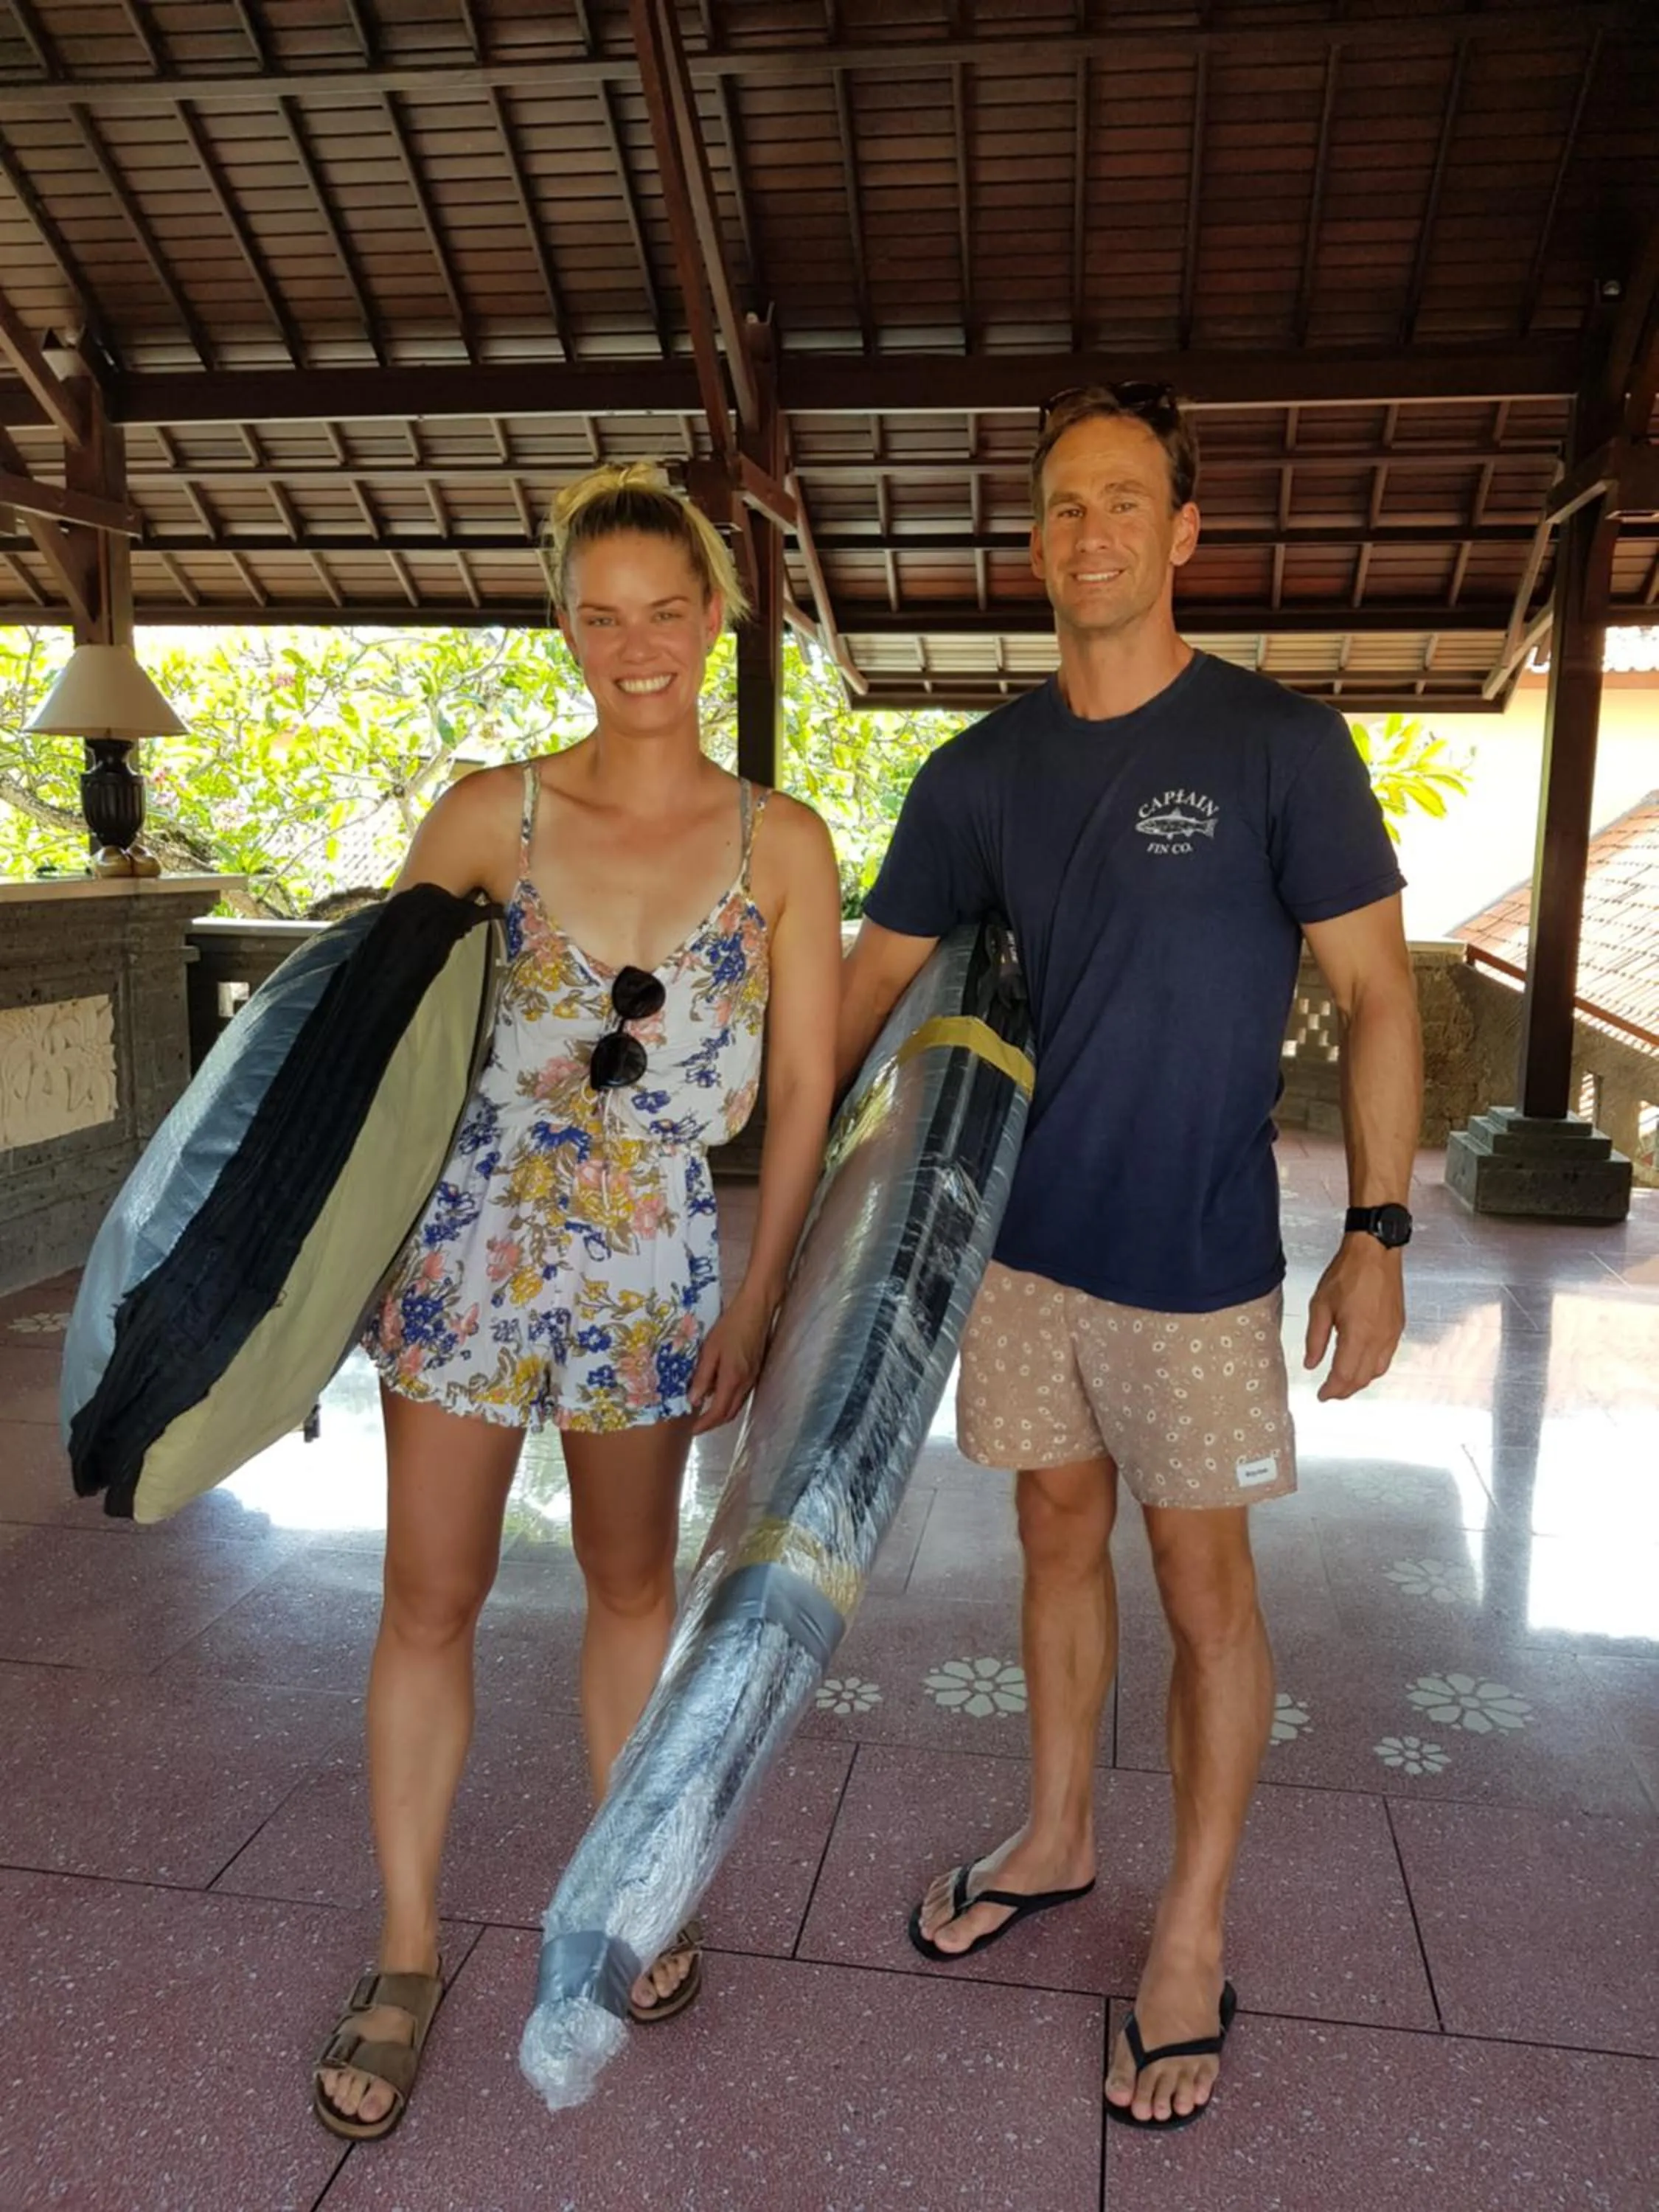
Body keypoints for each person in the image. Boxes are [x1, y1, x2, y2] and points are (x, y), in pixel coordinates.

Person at [836, 384, 1422, 2132]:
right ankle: (1060, 1831)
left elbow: (1380, 994)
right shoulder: (979, 771)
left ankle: (1190, 1926)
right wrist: (758, 1176)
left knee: (1206, 1591)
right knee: (1053, 1537)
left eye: (1125, 502)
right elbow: (866, 994)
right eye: (1061, 506)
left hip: (1196, 1260)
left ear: (1181, 533)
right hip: (1021, 1254)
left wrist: (1377, 1233)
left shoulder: (1277, 746)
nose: (1090, 532)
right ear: (1035, 541)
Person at [313, 461, 842, 2140]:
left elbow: (811, 1099)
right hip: (468, 1244)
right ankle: (409, 1949)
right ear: (566, 624)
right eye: (600, 616)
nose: (636, 646)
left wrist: (758, 1296)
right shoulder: (490, 816)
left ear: (712, 617)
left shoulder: (787, 844)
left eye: (667, 611)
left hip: (658, 1259)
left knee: (631, 1591)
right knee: (429, 1596)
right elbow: (379, 1057)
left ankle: (621, 1889)